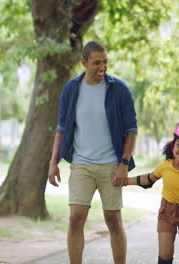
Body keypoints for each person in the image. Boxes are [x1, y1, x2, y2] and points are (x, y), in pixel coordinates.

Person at [47, 41, 137, 264]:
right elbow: (61, 127)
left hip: (111, 165)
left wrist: (123, 164)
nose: (102, 67)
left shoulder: (119, 89)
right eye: (97, 63)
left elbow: (131, 130)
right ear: (84, 62)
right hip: (81, 163)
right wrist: (53, 161)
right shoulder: (71, 89)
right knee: (76, 218)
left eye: (105, 62)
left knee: (113, 219)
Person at [118, 123, 179, 264]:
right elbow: (148, 180)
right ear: (173, 146)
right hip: (166, 214)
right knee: (164, 260)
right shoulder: (165, 166)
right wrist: (125, 180)